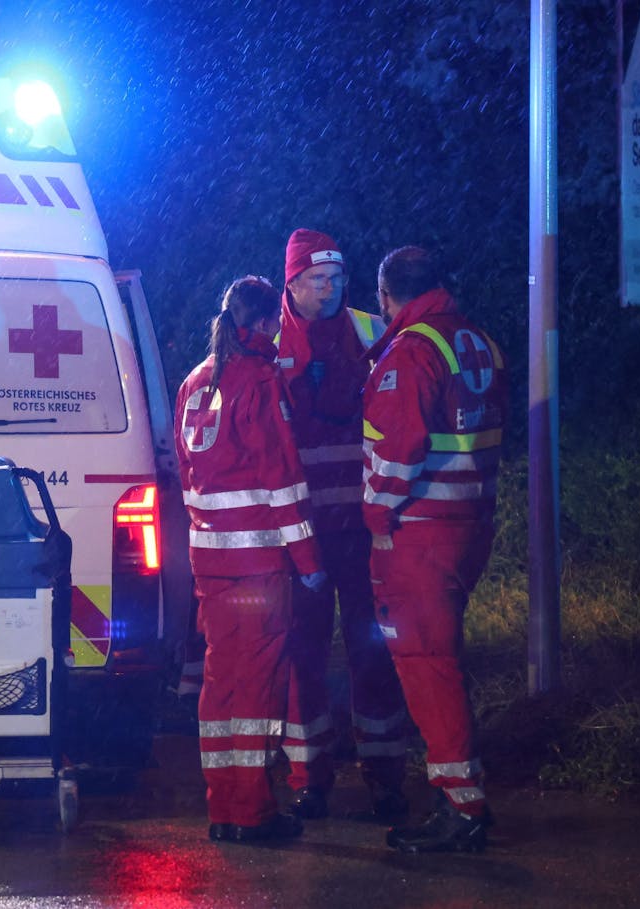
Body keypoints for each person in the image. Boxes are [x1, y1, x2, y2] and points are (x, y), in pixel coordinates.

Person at [362, 246, 507, 853]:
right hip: (469, 522)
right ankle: (459, 794)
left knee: (427, 666)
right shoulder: (477, 340)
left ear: (385, 294)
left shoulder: (413, 350)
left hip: (420, 530)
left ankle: (461, 806)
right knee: (439, 660)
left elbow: (397, 450)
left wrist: (376, 515)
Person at [175, 275, 326, 844]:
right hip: (259, 564)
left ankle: (224, 808)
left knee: (221, 682)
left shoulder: (195, 382)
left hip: (209, 563)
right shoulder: (261, 382)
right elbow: (282, 478)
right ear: (265, 324)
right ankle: (254, 812)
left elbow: (190, 476)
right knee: (260, 685)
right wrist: (308, 558)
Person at [275, 228, 409, 823]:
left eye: (337, 280)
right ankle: (310, 775)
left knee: (372, 649)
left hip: (360, 525)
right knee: (302, 654)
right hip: (299, 530)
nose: (330, 291)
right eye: (318, 280)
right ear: (292, 282)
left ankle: (384, 772)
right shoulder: (267, 340)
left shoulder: (369, 329)